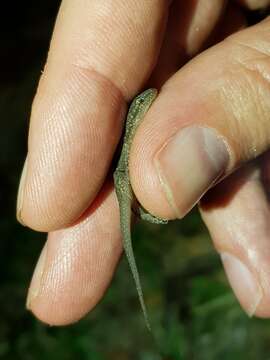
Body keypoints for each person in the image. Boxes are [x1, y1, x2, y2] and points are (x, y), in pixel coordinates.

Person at [16, 0, 270, 325]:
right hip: (126, 174)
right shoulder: (138, 114)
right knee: (144, 194)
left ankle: (150, 213)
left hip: (129, 171)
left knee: (145, 193)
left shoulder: (142, 106)